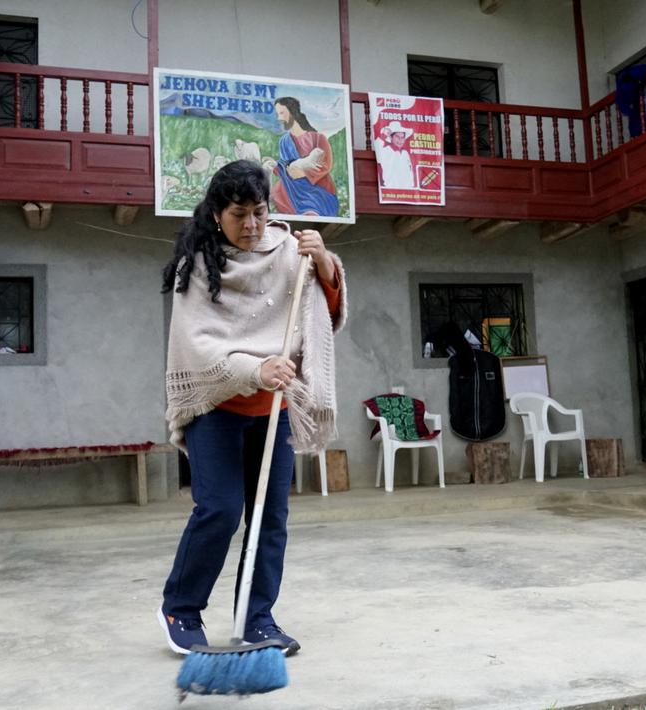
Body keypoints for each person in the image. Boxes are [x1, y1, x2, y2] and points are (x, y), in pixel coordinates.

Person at [158, 159, 346, 658]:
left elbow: (319, 315)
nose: (251, 225)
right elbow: (196, 344)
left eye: (259, 212)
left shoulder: (288, 251)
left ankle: (256, 619)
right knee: (220, 509)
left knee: (269, 518)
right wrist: (255, 368)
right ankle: (181, 608)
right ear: (216, 213)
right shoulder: (198, 265)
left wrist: (324, 264)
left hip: (275, 409)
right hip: (215, 407)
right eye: (239, 214)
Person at [269, 96, 340, 217]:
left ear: (292, 112)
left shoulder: (318, 138)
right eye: (278, 114)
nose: (279, 118)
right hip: (292, 185)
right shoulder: (284, 141)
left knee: (314, 206)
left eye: (282, 113)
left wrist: (304, 173)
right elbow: (286, 165)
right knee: (274, 194)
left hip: (316, 187)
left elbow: (326, 164)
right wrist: (275, 165)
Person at [373, 120, 416, 189]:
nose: (400, 140)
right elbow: (377, 147)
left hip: (407, 190)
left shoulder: (405, 153)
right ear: (391, 137)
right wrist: (384, 135)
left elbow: (410, 172)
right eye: (397, 137)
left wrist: (412, 186)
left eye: (402, 137)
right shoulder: (386, 150)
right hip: (391, 189)